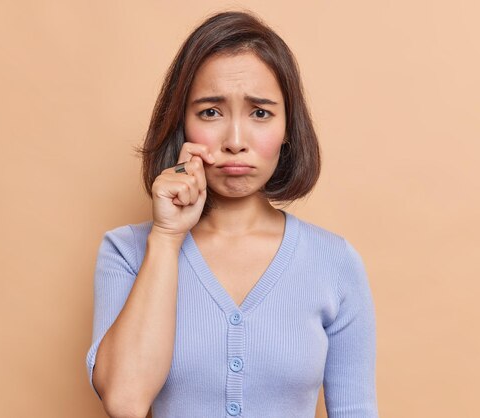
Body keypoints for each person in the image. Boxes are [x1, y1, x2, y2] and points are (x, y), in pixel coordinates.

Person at [86, 11, 379, 418]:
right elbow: (124, 401)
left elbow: (355, 410)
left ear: (288, 127)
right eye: (210, 112)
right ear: (181, 125)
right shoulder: (126, 253)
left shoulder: (334, 262)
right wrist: (168, 237)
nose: (235, 141)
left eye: (260, 113)